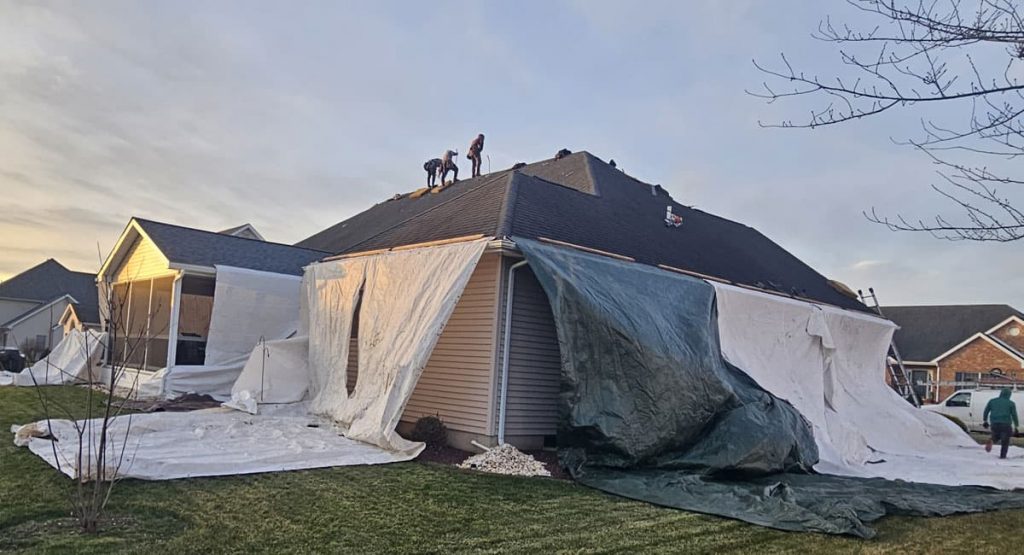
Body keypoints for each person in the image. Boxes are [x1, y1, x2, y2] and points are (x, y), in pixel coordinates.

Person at [984, 388, 1019, 459]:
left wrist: (985, 420)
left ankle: (992, 440)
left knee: (996, 436)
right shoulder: (1011, 403)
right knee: (1005, 441)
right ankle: (1003, 456)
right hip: (1006, 424)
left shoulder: (992, 401)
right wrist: (1016, 426)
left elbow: (986, 411)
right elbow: (1014, 415)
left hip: (994, 423)